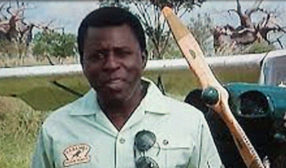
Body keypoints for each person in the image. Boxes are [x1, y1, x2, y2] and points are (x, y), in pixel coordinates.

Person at [31, 6, 223, 168]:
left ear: (143, 58)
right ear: (82, 63)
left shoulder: (189, 123)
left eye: (122, 53)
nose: (111, 64)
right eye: (98, 55)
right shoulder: (55, 130)